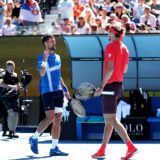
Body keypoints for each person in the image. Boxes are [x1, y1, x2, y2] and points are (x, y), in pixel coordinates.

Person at [92, 25, 137, 159]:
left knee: (111, 119)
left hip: (110, 87)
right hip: (118, 87)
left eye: (109, 32)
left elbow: (110, 69)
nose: (108, 33)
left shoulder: (111, 47)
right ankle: (102, 150)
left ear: (114, 34)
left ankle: (130, 146)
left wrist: (101, 86)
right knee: (108, 120)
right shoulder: (125, 48)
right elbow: (124, 70)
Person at [29, 35, 70, 156]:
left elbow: (58, 74)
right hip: (47, 91)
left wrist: (64, 88)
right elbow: (41, 73)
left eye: (54, 41)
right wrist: (45, 60)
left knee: (58, 119)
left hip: (58, 92)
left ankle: (54, 147)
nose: (54, 43)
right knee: (51, 117)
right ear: (46, 44)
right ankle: (34, 137)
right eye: (52, 41)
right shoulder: (41, 57)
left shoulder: (58, 57)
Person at [0, 61, 20, 138]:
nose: (12, 69)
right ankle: (10, 131)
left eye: (13, 67)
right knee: (10, 112)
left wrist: (19, 87)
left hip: (14, 96)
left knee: (15, 114)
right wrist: (11, 86)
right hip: (6, 96)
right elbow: (1, 83)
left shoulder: (15, 75)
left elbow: (17, 85)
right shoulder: (3, 75)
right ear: (7, 67)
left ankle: (13, 131)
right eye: (10, 68)